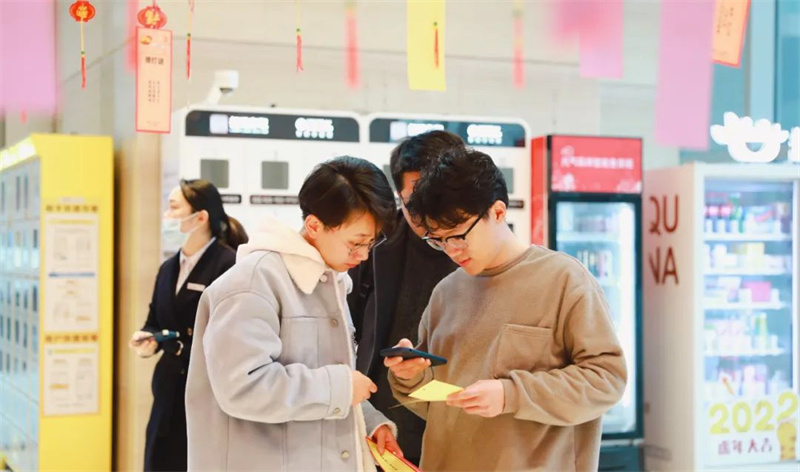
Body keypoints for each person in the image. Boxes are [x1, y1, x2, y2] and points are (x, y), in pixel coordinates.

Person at [386, 148, 628, 471]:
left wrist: (510, 394)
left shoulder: (564, 280)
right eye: (439, 240)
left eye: (458, 236)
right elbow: (440, 405)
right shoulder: (446, 293)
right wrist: (409, 377)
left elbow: (606, 380)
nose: (452, 251)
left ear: (498, 212)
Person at [185, 156, 402, 471]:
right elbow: (244, 387)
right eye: (355, 243)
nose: (363, 255)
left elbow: (325, 380)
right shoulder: (253, 282)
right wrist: (341, 388)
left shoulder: (330, 280)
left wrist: (369, 422)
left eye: (370, 243)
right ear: (314, 225)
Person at [347, 130, 464, 465]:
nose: (426, 214)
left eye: (436, 197)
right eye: (415, 201)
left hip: (458, 418)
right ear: (399, 195)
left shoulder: (481, 245)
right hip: (384, 425)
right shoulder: (373, 243)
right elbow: (346, 325)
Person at [129, 179, 249, 472]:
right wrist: (149, 340)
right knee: (159, 460)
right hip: (168, 388)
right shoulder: (168, 268)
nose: (166, 216)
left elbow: (234, 338)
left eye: (173, 208)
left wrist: (183, 346)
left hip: (207, 392)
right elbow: (155, 321)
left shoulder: (229, 265)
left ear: (200, 217)